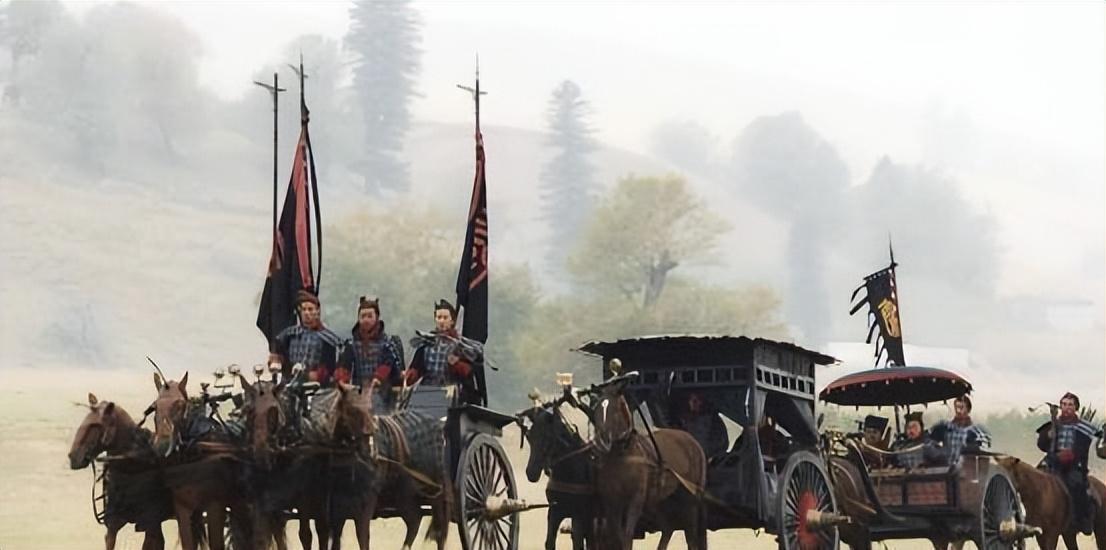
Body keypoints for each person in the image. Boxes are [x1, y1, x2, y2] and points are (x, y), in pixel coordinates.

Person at [1036, 392, 1103, 535]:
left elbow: (1084, 447)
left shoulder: (1085, 427)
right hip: (1052, 463)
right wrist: (1048, 436)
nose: (1066, 408)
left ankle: (1082, 519)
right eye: (1064, 404)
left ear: (1076, 408)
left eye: (1070, 405)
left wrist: (1062, 457)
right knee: (1033, 481)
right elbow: (1041, 444)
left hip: (1074, 466)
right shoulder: (1053, 425)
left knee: (1076, 485)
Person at [405, 300, 483, 414]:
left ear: (452, 321)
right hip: (426, 392)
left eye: (445, 317)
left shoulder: (461, 347)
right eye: (439, 317)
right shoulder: (426, 344)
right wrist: (410, 375)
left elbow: (470, 374)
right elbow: (416, 369)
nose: (442, 321)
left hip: (450, 394)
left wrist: (457, 364)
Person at [337, 296, 404, 410]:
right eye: (363, 316)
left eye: (369, 316)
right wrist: (343, 381)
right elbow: (344, 365)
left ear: (376, 317)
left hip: (383, 393)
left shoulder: (387, 343)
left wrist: (378, 378)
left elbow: (388, 364)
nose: (366, 320)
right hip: (358, 391)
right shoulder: (351, 344)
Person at [270, 290, 342, 384]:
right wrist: (276, 361)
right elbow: (277, 350)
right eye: (304, 309)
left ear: (317, 311)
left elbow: (329, 368)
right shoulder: (289, 334)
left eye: (310, 309)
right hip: (289, 382)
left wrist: (310, 375)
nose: (307, 313)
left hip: (316, 386)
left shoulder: (327, 339)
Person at [930, 395, 990, 466]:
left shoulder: (975, 430)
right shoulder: (946, 427)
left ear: (968, 409)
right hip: (946, 470)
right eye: (956, 407)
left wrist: (971, 447)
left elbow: (984, 449)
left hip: (966, 470)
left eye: (961, 408)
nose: (958, 411)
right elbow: (928, 440)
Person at [675, 392, 728, 459]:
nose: (693, 403)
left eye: (696, 400)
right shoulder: (682, 421)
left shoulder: (713, 421)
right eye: (691, 400)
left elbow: (721, 445)